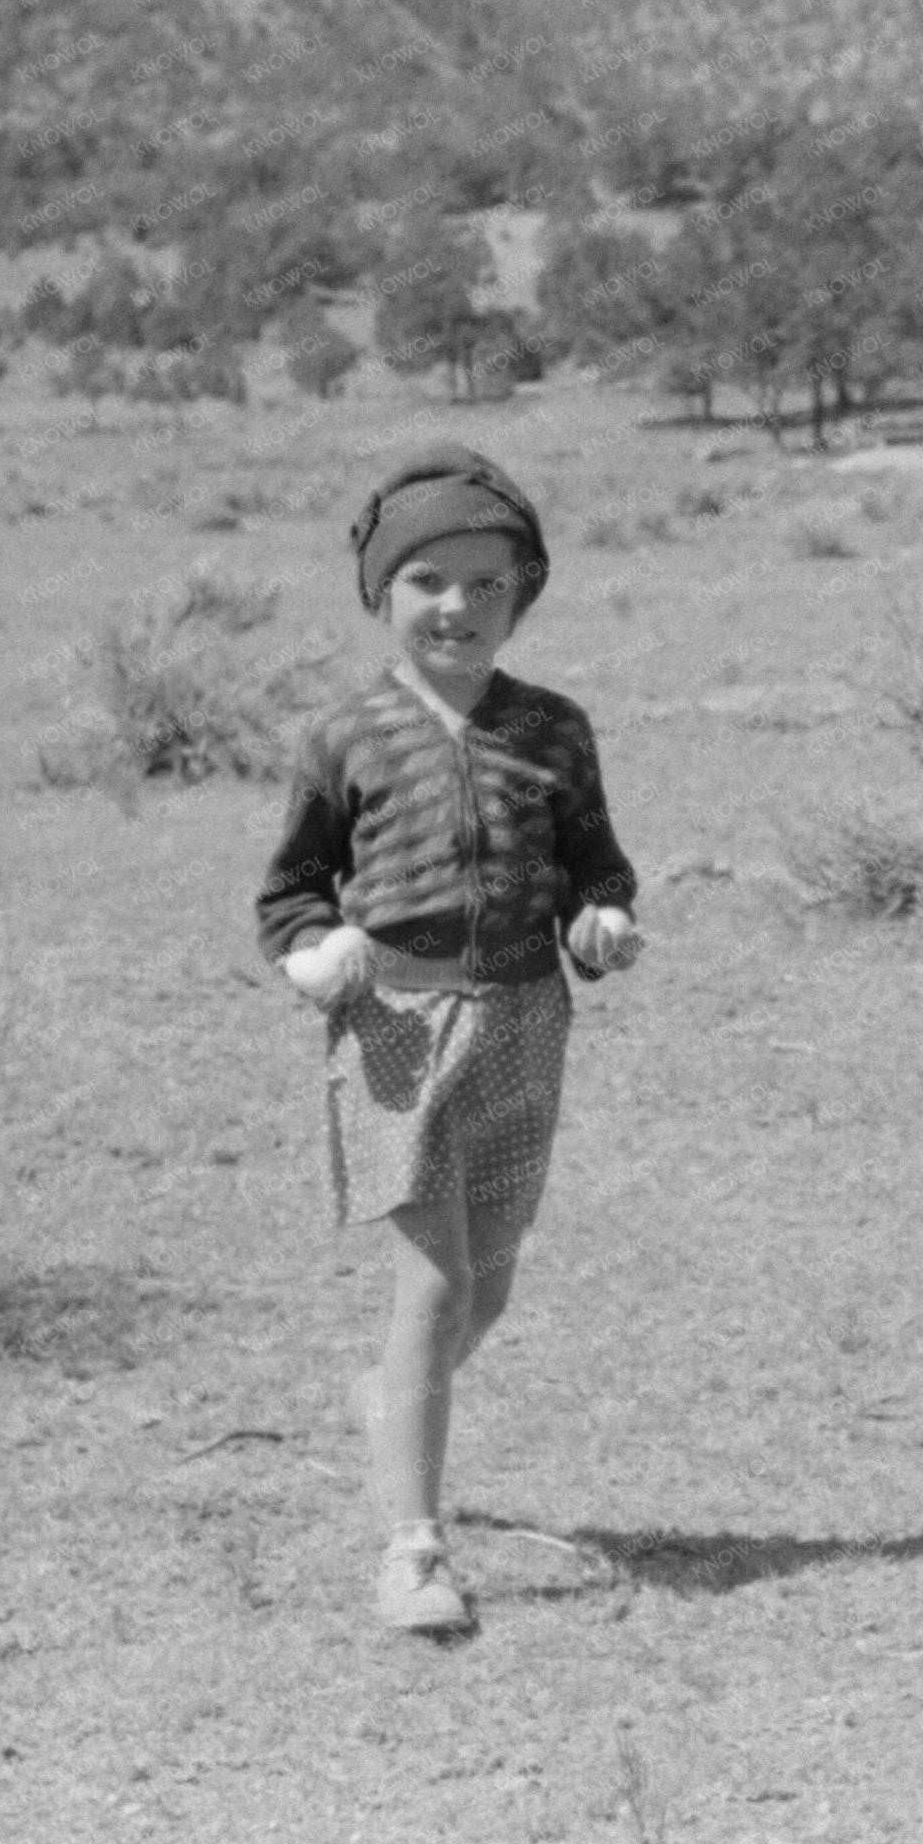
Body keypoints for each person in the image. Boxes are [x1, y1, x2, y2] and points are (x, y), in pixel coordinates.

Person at [254, 442, 643, 1637]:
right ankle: (413, 1552)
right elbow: (292, 890)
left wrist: (599, 924)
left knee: (492, 1277)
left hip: (524, 1019)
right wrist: (314, 953)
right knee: (435, 1280)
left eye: (486, 583)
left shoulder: (554, 731)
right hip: (395, 1032)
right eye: (427, 580)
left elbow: (593, 865)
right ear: (383, 591)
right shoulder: (347, 735)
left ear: (523, 592)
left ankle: (391, 1405)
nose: (456, 606)